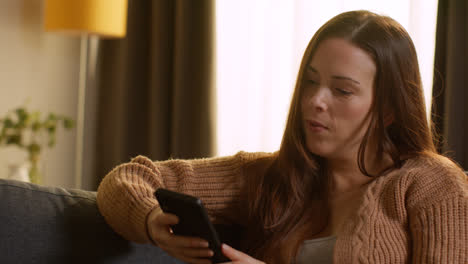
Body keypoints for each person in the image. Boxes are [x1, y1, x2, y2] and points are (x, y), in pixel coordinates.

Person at [96, 10, 468, 264]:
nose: (315, 101)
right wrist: (149, 221)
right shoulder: (269, 176)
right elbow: (126, 179)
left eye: (342, 91)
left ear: (388, 108)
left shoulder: (433, 186)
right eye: (310, 81)